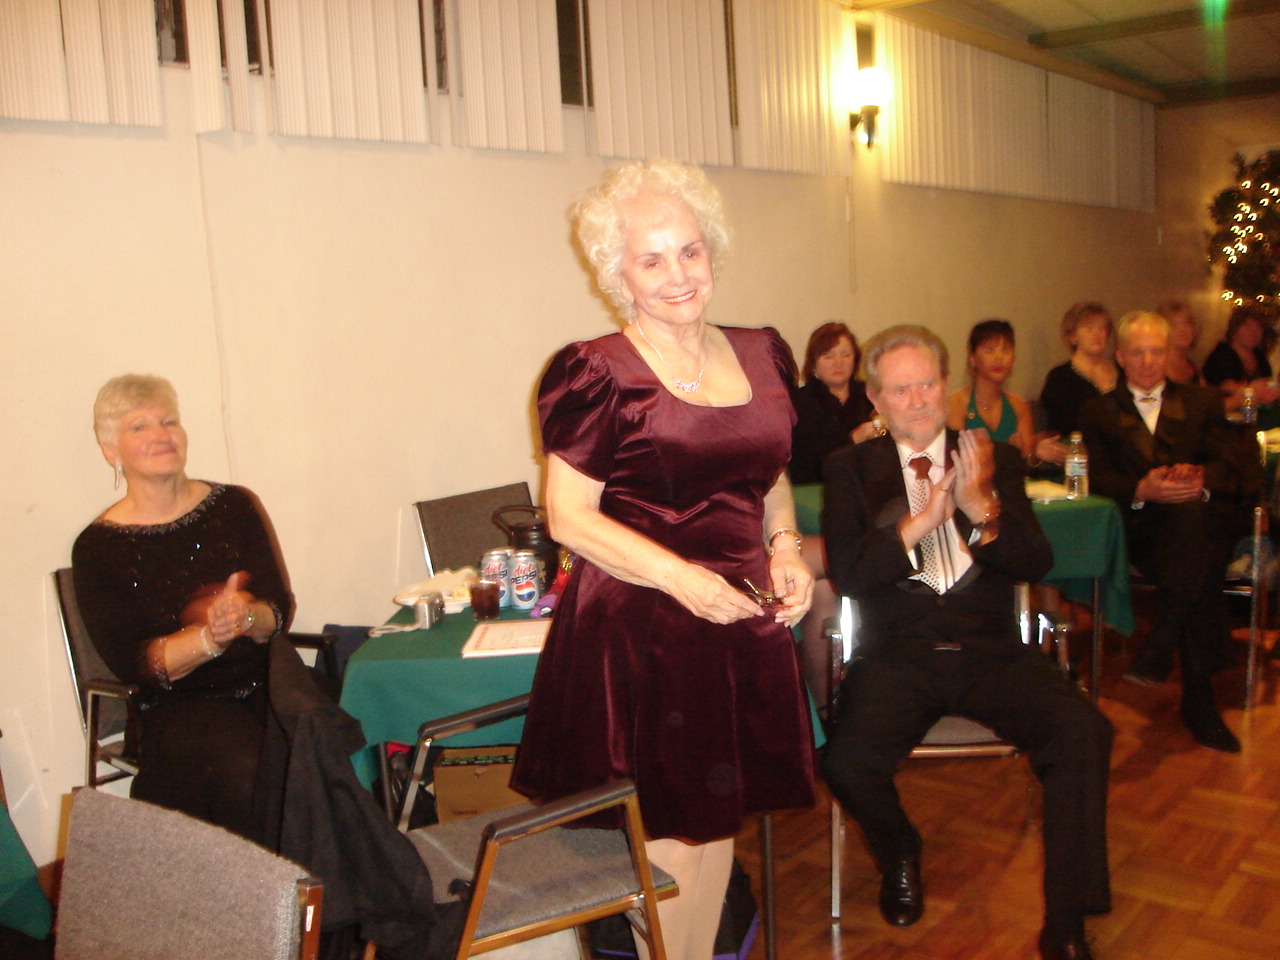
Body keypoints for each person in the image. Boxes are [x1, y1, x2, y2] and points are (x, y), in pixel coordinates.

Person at [509, 160, 816, 960]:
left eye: (690, 250)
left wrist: (785, 546)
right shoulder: (597, 371)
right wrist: (683, 579)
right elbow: (568, 518)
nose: (678, 274)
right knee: (675, 839)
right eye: (652, 260)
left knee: (718, 826)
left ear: (712, 250)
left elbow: (769, 477)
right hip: (648, 624)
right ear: (619, 275)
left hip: (738, 617)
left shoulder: (762, 352)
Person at [821, 325, 1112, 960]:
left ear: (945, 385)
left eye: (927, 384)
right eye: (901, 389)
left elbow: (1035, 562)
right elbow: (850, 575)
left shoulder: (992, 456)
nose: (918, 400)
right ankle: (900, 849)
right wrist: (918, 524)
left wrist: (982, 512)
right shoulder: (850, 468)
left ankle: (1066, 921)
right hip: (898, 653)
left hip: (991, 649)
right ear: (876, 399)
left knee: (1084, 732)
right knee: (845, 762)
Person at [72, 375, 293, 838]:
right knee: (251, 770)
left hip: (268, 682)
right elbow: (136, 665)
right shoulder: (96, 549)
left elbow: (279, 611)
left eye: (168, 421)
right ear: (110, 451)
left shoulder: (235, 505)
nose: (161, 434)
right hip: (180, 707)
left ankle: (346, 878)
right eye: (139, 426)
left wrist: (246, 616)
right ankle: (271, 883)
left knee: (333, 732)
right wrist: (210, 638)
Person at [1080, 312, 1262, 753]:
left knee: (1191, 524)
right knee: (1199, 558)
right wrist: (1141, 489)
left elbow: (1233, 467)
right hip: (1140, 530)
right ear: (1121, 357)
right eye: (1138, 352)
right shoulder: (1097, 411)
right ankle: (1197, 700)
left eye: (1156, 352)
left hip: (1196, 524)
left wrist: (1200, 480)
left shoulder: (1201, 401)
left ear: (1168, 355)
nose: (1147, 361)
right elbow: (1097, 479)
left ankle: (1164, 645)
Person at [946, 318, 1064, 466]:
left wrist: (1036, 452)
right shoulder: (956, 403)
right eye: (989, 350)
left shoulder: (1018, 405)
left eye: (1006, 350)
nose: (999, 358)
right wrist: (1007, 451)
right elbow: (958, 459)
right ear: (973, 358)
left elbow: (1027, 460)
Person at [790, 321, 878, 484]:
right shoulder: (800, 402)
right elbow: (805, 464)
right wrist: (852, 439)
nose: (838, 363)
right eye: (828, 356)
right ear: (814, 364)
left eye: (846, 355)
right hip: (818, 486)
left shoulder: (871, 394)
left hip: (868, 482)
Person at [1039, 302, 1117, 438]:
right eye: (1089, 329)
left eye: (1102, 328)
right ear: (1073, 336)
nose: (1096, 334)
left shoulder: (1122, 371)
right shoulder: (1060, 377)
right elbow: (1060, 428)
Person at [1202, 302, 1280, 410]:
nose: (1254, 332)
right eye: (1248, 327)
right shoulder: (1220, 357)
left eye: (1258, 327)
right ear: (1235, 330)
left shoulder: (1260, 357)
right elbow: (1220, 390)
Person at [1157, 300, 1205, 386]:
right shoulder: (1156, 366)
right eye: (1174, 325)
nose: (1182, 330)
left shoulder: (1192, 367)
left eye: (1186, 324)